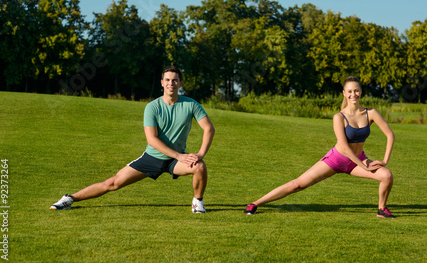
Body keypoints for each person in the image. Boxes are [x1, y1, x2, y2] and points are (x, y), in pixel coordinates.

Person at [50, 66, 215, 213]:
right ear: (162, 83)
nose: (171, 83)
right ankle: (69, 199)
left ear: (180, 83)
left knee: (199, 166)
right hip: (152, 157)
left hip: (175, 161)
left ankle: (197, 203)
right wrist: (179, 156)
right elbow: (152, 140)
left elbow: (209, 128)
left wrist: (200, 154)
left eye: (174, 80)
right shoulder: (152, 107)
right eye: (167, 80)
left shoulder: (191, 105)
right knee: (112, 183)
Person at [244, 76, 396, 218]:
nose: (353, 94)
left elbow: (390, 135)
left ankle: (381, 209)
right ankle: (255, 204)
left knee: (386, 175)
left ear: (361, 92)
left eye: (356, 90)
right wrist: (364, 166)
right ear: (344, 93)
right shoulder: (339, 117)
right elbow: (343, 147)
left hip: (357, 161)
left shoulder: (371, 113)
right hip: (337, 160)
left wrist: (384, 160)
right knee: (298, 184)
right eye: (349, 91)